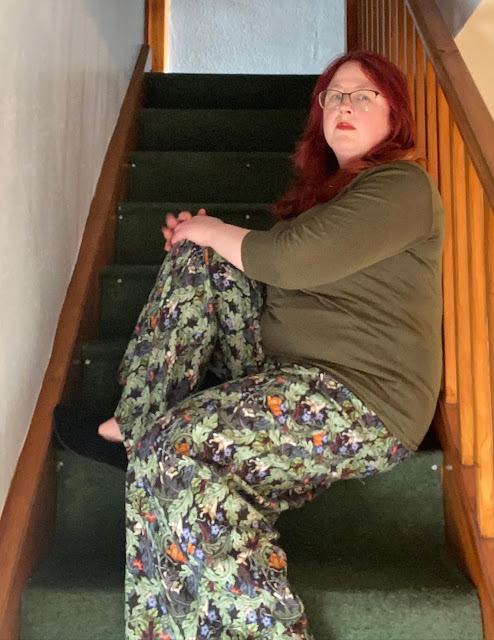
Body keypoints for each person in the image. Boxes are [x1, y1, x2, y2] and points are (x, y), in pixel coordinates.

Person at [98, 50, 444, 640]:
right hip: (283, 376)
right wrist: (201, 239)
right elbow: (273, 270)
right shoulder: (326, 197)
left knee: (176, 451)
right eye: (334, 95)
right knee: (199, 256)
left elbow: (288, 259)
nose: (345, 103)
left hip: (359, 399)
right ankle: (140, 420)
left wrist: (211, 229)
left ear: (397, 117)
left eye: (365, 94)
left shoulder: (402, 186)